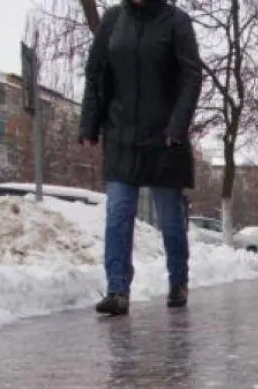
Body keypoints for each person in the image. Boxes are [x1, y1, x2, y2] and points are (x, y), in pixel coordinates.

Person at [79, 0, 203, 315]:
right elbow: (95, 73)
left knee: (171, 221)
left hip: (164, 139)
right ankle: (117, 290)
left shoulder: (176, 22)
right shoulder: (112, 20)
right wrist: (89, 123)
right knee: (118, 212)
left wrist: (177, 125)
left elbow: (191, 77)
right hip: (121, 135)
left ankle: (178, 281)